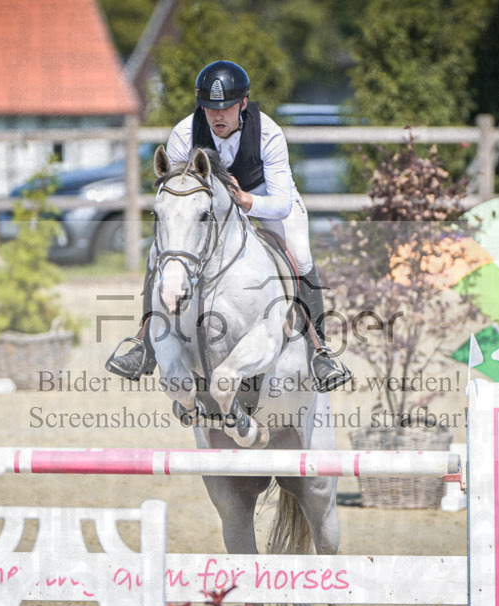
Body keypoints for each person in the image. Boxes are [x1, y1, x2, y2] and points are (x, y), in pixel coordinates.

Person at [105, 60, 352, 392]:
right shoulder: (183, 133)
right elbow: (177, 192)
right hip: (210, 208)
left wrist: (247, 201)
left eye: (226, 108)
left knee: (302, 257)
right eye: (209, 108)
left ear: (243, 104)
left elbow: (281, 203)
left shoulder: (268, 133)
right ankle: (144, 344)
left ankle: (319, 350)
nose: (217, 116)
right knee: (157, 256)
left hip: (267, 200)